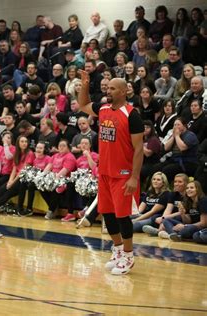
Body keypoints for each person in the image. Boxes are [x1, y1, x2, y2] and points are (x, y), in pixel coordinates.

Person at [78, 69, 144, 275]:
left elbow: (139, 149)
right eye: (107, 87)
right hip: (104, 172)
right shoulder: (104, 108)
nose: (108, 90)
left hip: (123, 174)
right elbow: (83, 105)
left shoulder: (132, 115)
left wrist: (134, 176)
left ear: (124, 92)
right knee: (107, 213)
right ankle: (117, 251)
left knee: (123, 216)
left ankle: (129, 255)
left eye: (113, 88)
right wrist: (86, 84)